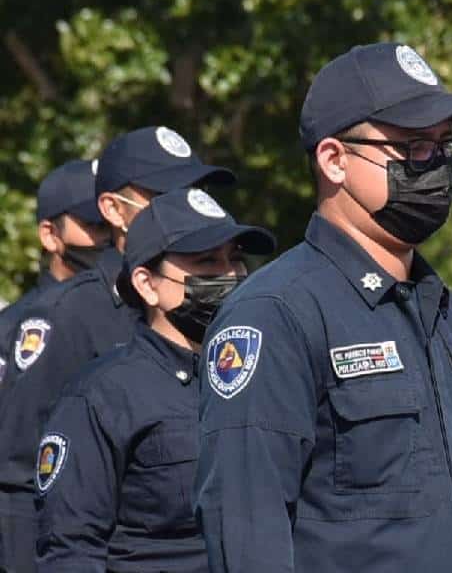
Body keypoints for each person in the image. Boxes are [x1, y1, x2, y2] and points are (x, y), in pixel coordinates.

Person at [195, 42, 452, 573]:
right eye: (412, 148)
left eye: (445, 147)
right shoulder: (276, 314)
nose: (434, 166)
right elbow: (248, 530)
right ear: (335, 160)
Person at [0, 126, 234, 573]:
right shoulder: (66, 316)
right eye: (164, 194)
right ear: (112, 209)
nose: (185, 204)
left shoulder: (220, 307)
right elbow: (18, 479)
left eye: (195, 190)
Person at [34, 188, 275, 573]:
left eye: (235, 259)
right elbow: (70, 548)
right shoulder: (103, 396)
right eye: (207, 262)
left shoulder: (268, 375)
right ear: (147, 284)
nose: (230, 274)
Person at [0, 159, 109, 385]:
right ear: (50, 235)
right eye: (96, 226)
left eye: (112, 226)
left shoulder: (137, 312)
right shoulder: (14, 329)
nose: (108, 237)